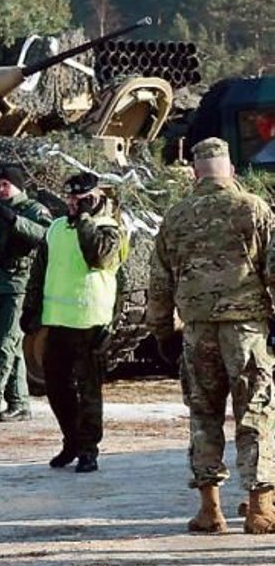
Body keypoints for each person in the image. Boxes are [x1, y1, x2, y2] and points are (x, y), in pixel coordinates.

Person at [147, 137, 275, 534]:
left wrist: (162, 333)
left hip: (197, 329)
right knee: (255, 412)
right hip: (246, 329)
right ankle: (259, 508)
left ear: (193, 173)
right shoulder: (253, 208)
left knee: (204, 415)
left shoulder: (176, 217)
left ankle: (210, 509)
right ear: (231, 171)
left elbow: (159, 283)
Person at [26, 171, 127, 474]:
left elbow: (98, 258)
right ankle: (71, 441)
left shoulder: (110, 230)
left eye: (80, 199)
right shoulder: (56, 229)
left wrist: (86, 219)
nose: (72, 204)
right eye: (69, 199)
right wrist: (31, 309)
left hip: (91, 325)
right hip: (57, 324)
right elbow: (39, 272)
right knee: (57, 389)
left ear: (96, 199)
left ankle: (88, 448)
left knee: (88, 392)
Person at [0, 165, 52, 424]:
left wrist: (15, 221)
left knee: (6, 344)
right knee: (10, 345)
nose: (0, 190)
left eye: (5, 185)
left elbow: (46, 235)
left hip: (18, 284)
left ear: (17, 186)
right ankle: (19, 403)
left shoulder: (33, 209)